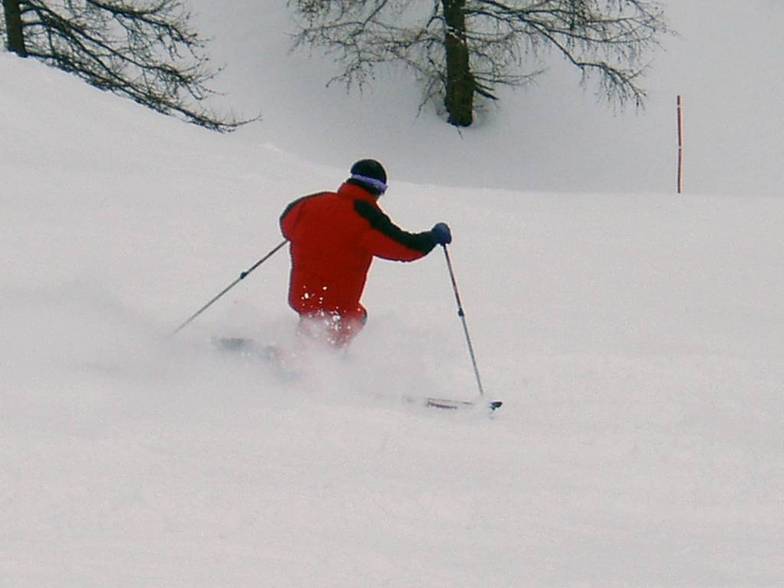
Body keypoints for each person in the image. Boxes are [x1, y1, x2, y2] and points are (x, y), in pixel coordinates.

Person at [279, 159, 452, 347]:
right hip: (338, 306)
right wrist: (433, 237)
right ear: (378, 190)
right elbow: (406, 248)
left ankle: (293, 356)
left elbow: (286, 224)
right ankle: (320, 367)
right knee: (351, 322)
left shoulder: (311, 203)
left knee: (312, 322)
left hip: (301, 295)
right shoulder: (367, 217)